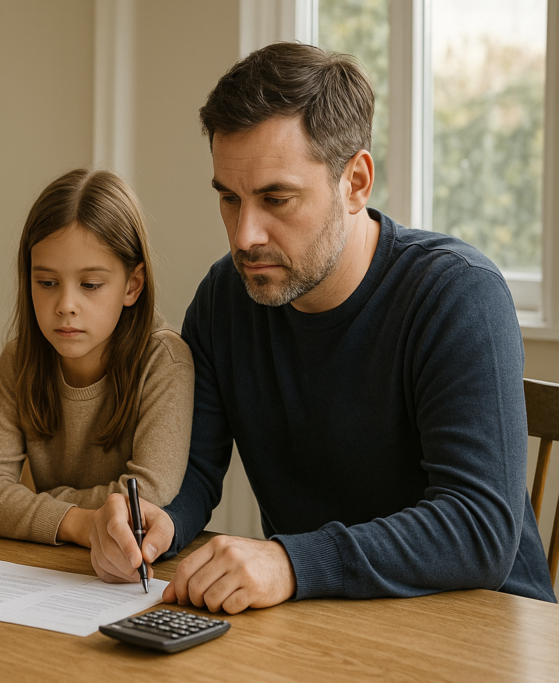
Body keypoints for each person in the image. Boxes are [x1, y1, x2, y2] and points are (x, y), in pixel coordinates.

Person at [88, 42, 557, 610]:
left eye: (276, 198)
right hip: (319, 621)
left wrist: (291, 561)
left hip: (479, 631)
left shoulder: (457, 294)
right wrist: (156, 522)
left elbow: (480, 530)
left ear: (355, 182)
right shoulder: (224, 298)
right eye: (230, 199)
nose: (244, 235)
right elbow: (195, 473)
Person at [0, 168, 194, 547]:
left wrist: (34, 506)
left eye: (90, 285)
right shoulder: (19, 360)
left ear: (132, 285)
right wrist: (79, 523)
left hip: (129, 566)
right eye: (47, 282)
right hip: (53, 564)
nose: (65, 305)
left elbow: (148, 493)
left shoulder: (164, 361)